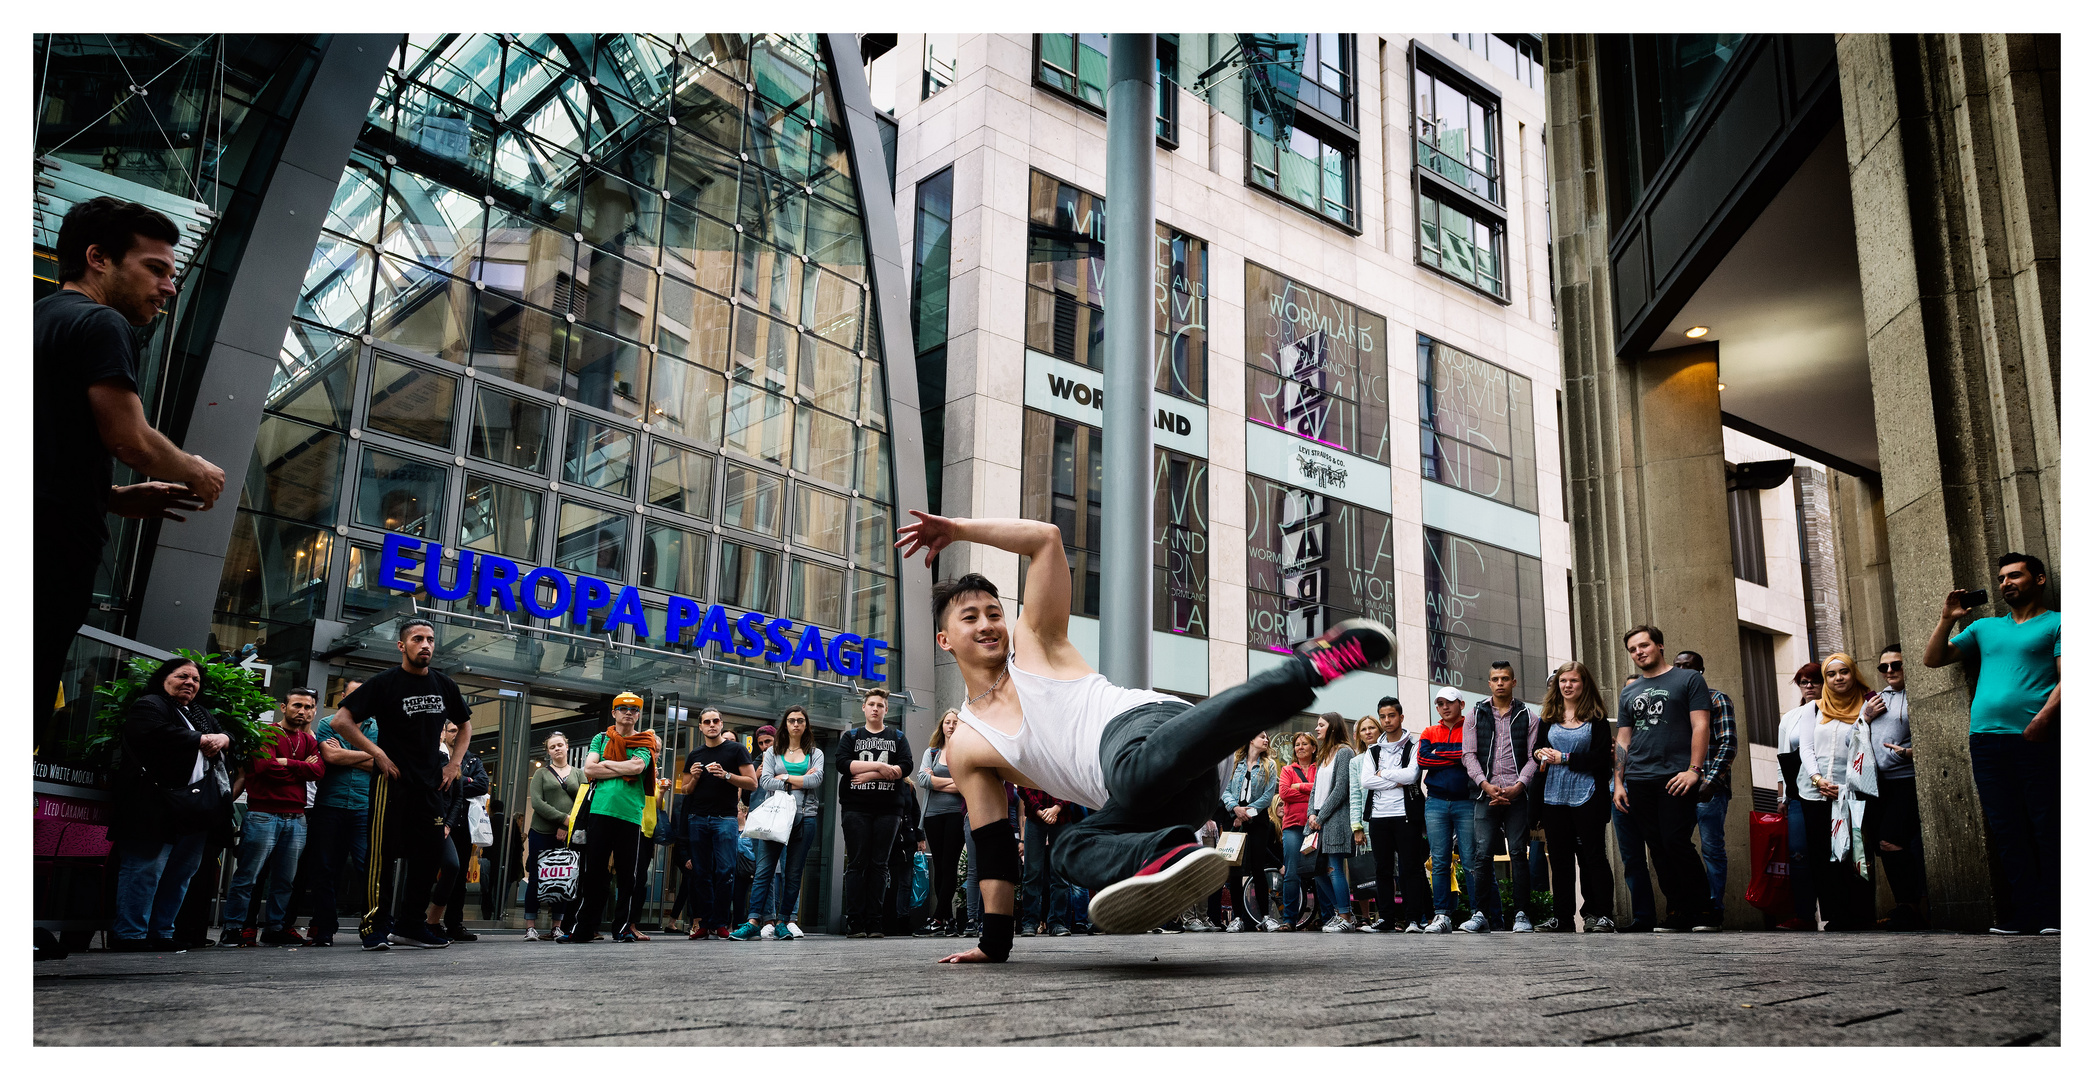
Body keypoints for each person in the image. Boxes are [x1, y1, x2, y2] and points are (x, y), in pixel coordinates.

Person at [899, 513, 1395, 962]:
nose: (988, 625)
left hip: (1153, 729)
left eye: (993, 613)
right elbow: (994, 847)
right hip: (1173, 801)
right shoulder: (966, 744)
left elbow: (1046, 539)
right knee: (1069, 846)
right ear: (944, 640)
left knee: (1129, 772)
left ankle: (1312, 667)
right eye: (970, 618)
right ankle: (1169, 853)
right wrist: (994, 944)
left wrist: (959, 530)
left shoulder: (1034, 642)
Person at [35, 198, 223, 727]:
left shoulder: (35, 321)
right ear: (98, 258)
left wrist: (112, 497)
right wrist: (196, 471)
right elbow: (130, 439)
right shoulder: (101, 324)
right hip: (48, 558)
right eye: (156, 269)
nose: (169, 286)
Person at [1922, 553, 2060, 936]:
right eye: (2001, 578)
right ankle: (2026, 914)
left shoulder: (2059, 624)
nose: (2005, 583)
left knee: (2046, 824)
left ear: (2040, 579)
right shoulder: (1984, 628)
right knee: (2006, 828)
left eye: (2014, 575)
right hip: (1985, 741)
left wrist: (2043, 719)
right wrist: (1948, 618)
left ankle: (2055, 913)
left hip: (2034, 738)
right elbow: (1933, 660)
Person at [328, 620, 472, 951]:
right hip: (392, 782)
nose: (426, 645)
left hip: (431, 785)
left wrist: (454, 764)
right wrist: (376, 752)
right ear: (402, 646)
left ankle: (410, 924)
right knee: (383, 856)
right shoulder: (385, 683)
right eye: (417, 639)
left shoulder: (444, 684)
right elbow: (341, 721)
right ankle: (374, 927)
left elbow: (464, 727)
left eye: (430, 640)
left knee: (429, 856)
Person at [107, 658, 231, 951]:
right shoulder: (150, 705)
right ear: (165, 678)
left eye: (196, 679)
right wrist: (202, 738)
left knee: (180, 873)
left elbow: (228, 736)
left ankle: (161, 932)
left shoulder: (199, 713)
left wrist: (223, 737)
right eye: (182, 676)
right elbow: (154, 733)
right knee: (145, 869)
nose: (190, 682)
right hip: (154, 805)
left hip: (194, 807)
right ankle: (130, 935)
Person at [1614, 625, 1717, 933]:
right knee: (1657, 847)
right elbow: (1623, 739)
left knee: (1676, 841)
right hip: (1639, 779)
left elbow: (1701, 726)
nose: (1639, 652)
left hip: (1676, 775)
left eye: (1644, 645)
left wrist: (1694, 770)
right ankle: (1678, 911)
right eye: (1633, 649)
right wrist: (1619, 783)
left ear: (1659, 646)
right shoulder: (1630, 691)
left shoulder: (1688, 679)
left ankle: (1704, 910)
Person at [219, 693, 324, 947]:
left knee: (285, 880)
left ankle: (275, 928)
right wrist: (301, 769)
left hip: (296, 818)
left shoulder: (308, 740)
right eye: (297, 705)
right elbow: (266, 769)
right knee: (248, 877)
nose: (302, 711)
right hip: (263, 815)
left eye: (308, 707)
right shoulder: (265, 734)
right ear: (283, 706)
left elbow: (319, 771)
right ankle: (233, 928)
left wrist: (289, 763)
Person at [566, 693, 662, 943]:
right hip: (600, 811)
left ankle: (621, 929)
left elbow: (638, 768)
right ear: (614, 712)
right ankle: (584, 929)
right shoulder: (600, 738)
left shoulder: (646, 741)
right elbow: (589, 770)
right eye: (622, 708)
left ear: (638, 715)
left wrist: (607, 764)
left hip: (630, 814)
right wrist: (622, 765)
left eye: (633, 709)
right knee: (594, 874)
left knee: (628, 876)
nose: (628, 712)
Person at [1794, 654, 1880, 932]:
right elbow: (1806, 748)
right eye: (1831, 674)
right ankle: (1838, 915)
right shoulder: (1814, 709)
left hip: (1855, 791)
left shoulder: (1869, 705)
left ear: (1854, 674)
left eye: (1844, 672)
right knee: (1824, 856)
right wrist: (1818, 780)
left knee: (1857, 850)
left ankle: (1862, 914)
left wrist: (1864, 719)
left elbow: (1867, 745)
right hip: (1817, 794)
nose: (1838, 678)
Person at [1533, 662, 1615, 933]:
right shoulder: (1548, 716)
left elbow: (1602, 758)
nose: (1567, 685)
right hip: (1553, 797)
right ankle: (1562, 918)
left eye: (1574, 681)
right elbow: (1537, 749)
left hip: (1587, 794)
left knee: (1593, 856)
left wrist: (1564, 757)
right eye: (1563, 681)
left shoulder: (1597, 718)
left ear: (1584, 684)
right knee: (1559, 859)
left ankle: (1600, 914)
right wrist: (1539, 754)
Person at [1462, 661, 1539, 933]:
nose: (1500, 683)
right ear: (1489, 683)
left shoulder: (1529, 716)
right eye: (1495, 678)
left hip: (1517, 795)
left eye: (1505, 678)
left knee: (1518, 854)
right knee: (1482, 855)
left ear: (1514, 682)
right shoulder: (1475, 714)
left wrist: (1520, 786)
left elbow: (1533, 758)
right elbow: (1468, 755)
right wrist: (1485, 785)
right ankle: (1480, 914)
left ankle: (1521, 915)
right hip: (1486, 795)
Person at [302, 685, 377, 947]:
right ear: (343, 697)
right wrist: (371, 753)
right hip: (329, 805)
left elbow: (382, 763)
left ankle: (371, 927)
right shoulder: (327, 722)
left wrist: (347, 755)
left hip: (364, 807)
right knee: (324, 869)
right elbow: (330, 756)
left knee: (366, 868)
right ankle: (324, 927)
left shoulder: (379, 728)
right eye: (352, 694)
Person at [836, 688, 913, 939]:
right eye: (871, 704)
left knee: (880, 864)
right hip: (856, 808)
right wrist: (880, 766)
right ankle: (856, 923)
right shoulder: (852, 736)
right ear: (864, 708)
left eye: (880, 705)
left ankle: (875, 922)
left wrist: (869, 773)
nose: (875, 708)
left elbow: (905, 766)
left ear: (886, 709)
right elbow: (843, 764)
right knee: (858, 863)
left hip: (889, 809)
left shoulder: (898, 737)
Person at [1669, 650, 1738, 924]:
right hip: (1676, 787)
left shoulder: (1716, 699)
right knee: (1676, 846)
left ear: (1701, 670)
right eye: (1678, 666)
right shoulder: (1672, 703)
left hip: (1709, 788)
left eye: (1690, 666)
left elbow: (1728, 743)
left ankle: (1712, 910)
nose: (1684, 670)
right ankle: (1687, 908)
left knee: (1711, 848)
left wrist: (1710, 781)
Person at [744, 707, 824, 941]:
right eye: (791, 720)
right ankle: (753, 920)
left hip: (805, 816)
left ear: (806, 725)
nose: (796, 724)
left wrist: (786, 778)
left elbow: (817, 779)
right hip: (776, 816)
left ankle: (783, 921)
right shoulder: (772, 752)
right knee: (764, 871)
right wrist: (800, 781)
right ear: (785, 725)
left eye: (800, 720)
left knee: (793, 872)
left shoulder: (815, 752)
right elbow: (767, 781)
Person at [1863, 644, 1927, 929]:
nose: (1889, 671)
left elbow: (1932, 735)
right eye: (1883, 667)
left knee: (1891, 840)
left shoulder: (1918, 694)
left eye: (1896, 665)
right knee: (1883, 844)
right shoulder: (1876, 700)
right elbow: (1856, 737)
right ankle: (1906, 906)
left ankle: (1911, 906)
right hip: (1879, 785)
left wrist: (1910, 752)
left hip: (1908, 781)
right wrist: (1865, 717)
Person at [681, 707, 755, 940]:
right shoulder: (695, 754)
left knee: (726, 871)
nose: (711, 725)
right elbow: (684, 790)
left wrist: (726, 775)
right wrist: (694, 777)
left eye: (715, 721)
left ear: (721, 724)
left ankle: (720, 921)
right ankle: (704, 922)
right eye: (706, 722)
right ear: (700, 726)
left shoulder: (736, 750)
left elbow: (752, 783)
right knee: (701, 873)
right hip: (698, 818)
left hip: (725, 818)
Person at [1359, 698, 1429, 933]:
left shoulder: (1414, 745)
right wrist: (1394, 780)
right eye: (1383, 716)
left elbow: (1411, 776)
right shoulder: (1373, 750)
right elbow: (1366, 781)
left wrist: (1383, 774)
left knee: (1410, 868)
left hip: (1406, 814)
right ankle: (1386, 919)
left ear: (1401, 717)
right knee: (1382, 870)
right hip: (1379, 817)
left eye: (1391, 716)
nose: (1387, 721)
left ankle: (1413, 919)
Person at [1418, 687, 1476, 934]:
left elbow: (1471, 757)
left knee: (1472, 859)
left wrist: (1442, 754)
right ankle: (1442, 915)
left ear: (1461, 704)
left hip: (1467, 801)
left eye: (1449, 702)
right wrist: (1456, 757)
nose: (1444, 707)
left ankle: (1480, 913)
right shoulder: (1429, 731)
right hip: (1436, 801)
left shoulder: (1471, 730)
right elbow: (1422, 760)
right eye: (1440, 703)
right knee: (1439, 860)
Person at [1773, 663, 1824, 930]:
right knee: (1799, 854)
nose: (1809, 686)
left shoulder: (1833, 712)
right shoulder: (1791, 717)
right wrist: (1782, 798)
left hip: (1829, 791)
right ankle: (1804, 914)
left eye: (1815, 681)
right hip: (1797, 795)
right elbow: (1782, 759)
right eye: (1803, 682)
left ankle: (1841, 911)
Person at [435, 720, 490, 942]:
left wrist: (458, 780)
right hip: (436, 820)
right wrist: (464, 780)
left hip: (462, 825)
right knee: (427, 872)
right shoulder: (436, 754)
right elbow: (435, 782)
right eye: (453, 730)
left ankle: (453, 924)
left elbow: (482, 785)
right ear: (443, 733)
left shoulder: (473, 759)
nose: (457, 735)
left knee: (458, 876)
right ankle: (420, 921)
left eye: (461, 731)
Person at [1221, 732, 1282, 932]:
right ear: (1250, 739)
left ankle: (1265, 916)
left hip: (1258, 820)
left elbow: (1267, 795)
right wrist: (1235, 809)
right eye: (1262, 736)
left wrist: (1246, 813)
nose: (1266, 740)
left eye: (1267, 738)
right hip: (1235, 819)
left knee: (1257, 867)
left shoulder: (1269, 765)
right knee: (1235, 870)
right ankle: (1237, 918)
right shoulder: (1235, 764)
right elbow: (1226, 790)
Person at [915, 710, 968, 936]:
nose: (951, 726)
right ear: (942, 726)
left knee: (949, 865)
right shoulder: (932, 752)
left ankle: (937, 918)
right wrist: (951, 782)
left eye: (955, 722)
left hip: (956, 814)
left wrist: (937, 782)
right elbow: (922, 779)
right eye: (948, 722)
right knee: (939, 865)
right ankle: (948, 920)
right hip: (932, 816)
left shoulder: (966, 752)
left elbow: (966, 784)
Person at [523, 732, 580, 941]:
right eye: (552, 747)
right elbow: (537, 803)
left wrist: (567, 824)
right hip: (541, 832)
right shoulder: (541, 774)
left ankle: (557, 925)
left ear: (567, 746)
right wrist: (562, 820)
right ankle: (530, 926)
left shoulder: (578, 774)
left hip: (567, 836)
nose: (557, 749)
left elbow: (583, 802)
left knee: (563, 879)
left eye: (560, 745)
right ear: (548, 751)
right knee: (537, 878)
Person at [1306, 714, 1359, 932]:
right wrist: (1311, 814)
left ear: (1333, 728)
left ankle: (1345, 916)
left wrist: (1321, 816)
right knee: (1317, 871)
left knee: (1334, 868)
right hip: (1317, 820)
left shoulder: (1345, 752)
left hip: (1334, 820)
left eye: (1321, 725)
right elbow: (1315, 789)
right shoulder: (1324, 754)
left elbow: (1341, 789)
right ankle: (1341, 913)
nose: (1316, 729)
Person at [1276, 732, 1320, 931]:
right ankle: (1289, 920)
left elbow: (1322, 792)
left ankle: (1327, 917)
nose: (1300, 747)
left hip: (1315, 826)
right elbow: (1284, 793)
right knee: (1291, 873)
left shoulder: (1320, 768)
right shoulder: (1286, 769)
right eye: (1297, 744)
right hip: (1293, 826)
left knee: (1320, 872)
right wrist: (1310, 791)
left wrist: (1300, 786)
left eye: (1304, 744)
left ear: (1313, 748)